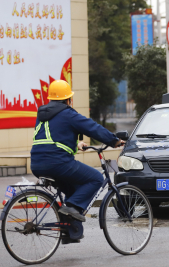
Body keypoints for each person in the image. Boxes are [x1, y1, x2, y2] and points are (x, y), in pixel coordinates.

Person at [30, 80, 125, 242]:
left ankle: (70, 231)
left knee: (75, 192)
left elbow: (53, 138)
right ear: (68, 100)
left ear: (51, 99)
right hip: (58, 163)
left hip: (37, 164)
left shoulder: (42, 115)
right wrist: (114, 141)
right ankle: (71, 209)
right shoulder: (68, 113)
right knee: (96, 178)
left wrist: (76, 144)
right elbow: (92, 127)